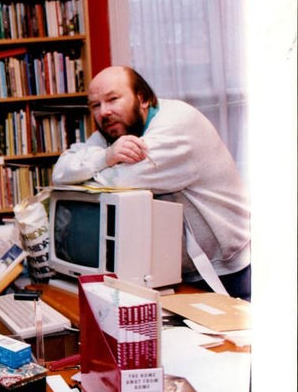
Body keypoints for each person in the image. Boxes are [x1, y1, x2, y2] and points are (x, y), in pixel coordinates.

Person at [52, 66, 251, 300]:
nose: (104, 113)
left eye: (113, 99)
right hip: (183, 274)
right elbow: (60, 171)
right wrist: (106, 157)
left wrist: (88, 171)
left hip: (233, 270)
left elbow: (123, 180)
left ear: (143, 98)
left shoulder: (177, 123)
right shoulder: (114, 135)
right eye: (95, 105)